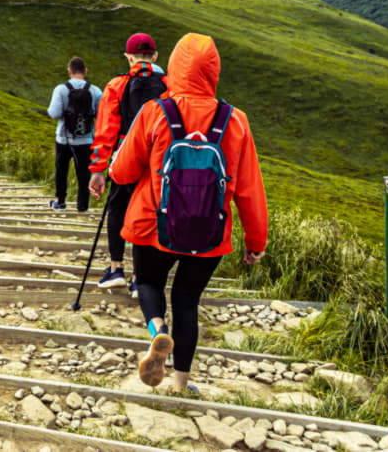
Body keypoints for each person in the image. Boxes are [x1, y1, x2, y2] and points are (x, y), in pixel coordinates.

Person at [110, 32, 267, 393]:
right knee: (187, 302)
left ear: (175, 66)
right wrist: (255, 241)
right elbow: (249, 189)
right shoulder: (236, 120)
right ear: (214, 71)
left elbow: (123, 172)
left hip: (153, 224)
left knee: (148, 282)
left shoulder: (155, 112)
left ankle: (157, 330)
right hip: (209, 233)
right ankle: (181, 384)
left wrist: (113, 166)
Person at [88, 33, 169, 289]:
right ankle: (139, 277)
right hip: (156, 160)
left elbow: (105, 130)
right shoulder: (169, 85)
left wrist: (98, 169)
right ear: (155, 56)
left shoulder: (117, 85)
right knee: (149, 212)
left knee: (118, 208)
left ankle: (116, 268)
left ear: (129, 57)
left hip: (124, 157)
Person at [47, 57, 101, 211]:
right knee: (84, 173)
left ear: (69, 71)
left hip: (63, 139)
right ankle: (82, 205)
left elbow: (54, 113)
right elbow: (101, 115)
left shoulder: (61, 89)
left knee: (61, 170)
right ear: (85, 71)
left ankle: (60, 202)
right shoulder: (95, 90)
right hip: (86, 139)